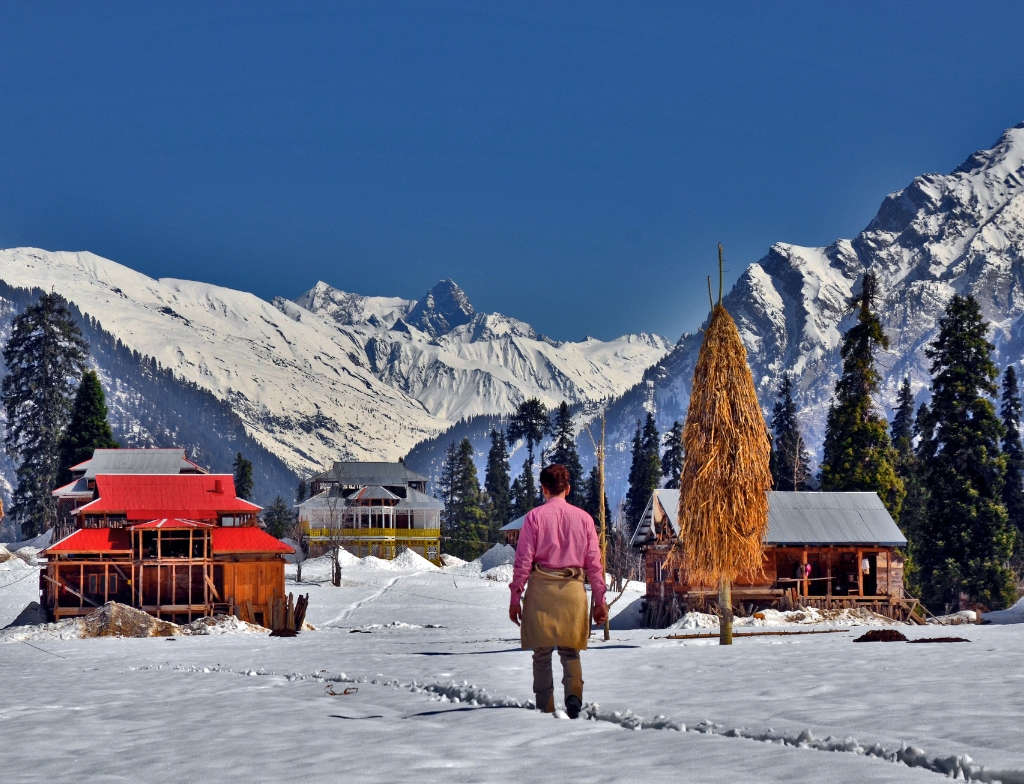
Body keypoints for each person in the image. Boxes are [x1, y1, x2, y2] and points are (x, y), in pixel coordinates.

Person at [509, 463, 608, 719]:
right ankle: (573, 695)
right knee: (570, 651)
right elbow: (594, 564)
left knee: (541, 654)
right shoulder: (584, 519)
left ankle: (546, 707)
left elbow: (523, 561)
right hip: (573, 592)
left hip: (541, 592)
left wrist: (515, 597)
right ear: (568, 489)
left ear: (543, 489)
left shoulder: (534, 518)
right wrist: (600, 600)